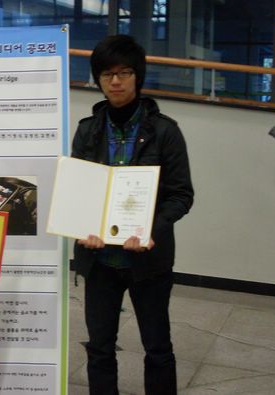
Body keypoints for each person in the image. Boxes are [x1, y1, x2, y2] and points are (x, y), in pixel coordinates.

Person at [71, 35, 194, 395]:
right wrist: (81, 225)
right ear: (98, 79)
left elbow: (181, 195)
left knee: (157, 348)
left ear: (138, 76)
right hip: (98, 259)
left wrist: (151, 229)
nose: (115, 81)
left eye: (124, 73)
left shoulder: (165, 131)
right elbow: (79, 191)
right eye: (107, 74)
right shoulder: (87, 130)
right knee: (99, 348)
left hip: (148, 262)